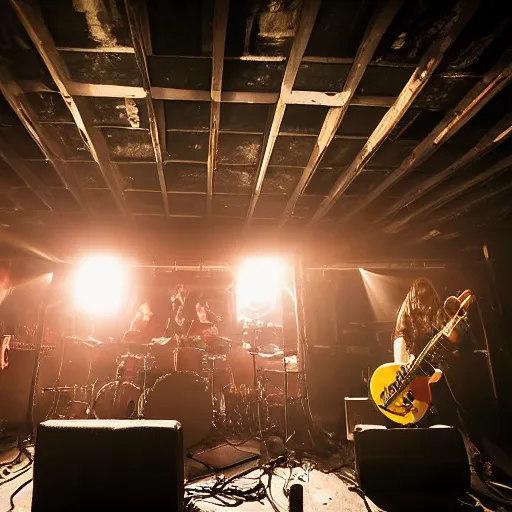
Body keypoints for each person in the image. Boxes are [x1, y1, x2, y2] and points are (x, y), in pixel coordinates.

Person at [392, 278, 465, 427]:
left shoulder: (432, 324)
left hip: (434, 391)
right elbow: (401, 367)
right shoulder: (405, 330)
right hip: (417, 395)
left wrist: (454, 316)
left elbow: (453, 338)